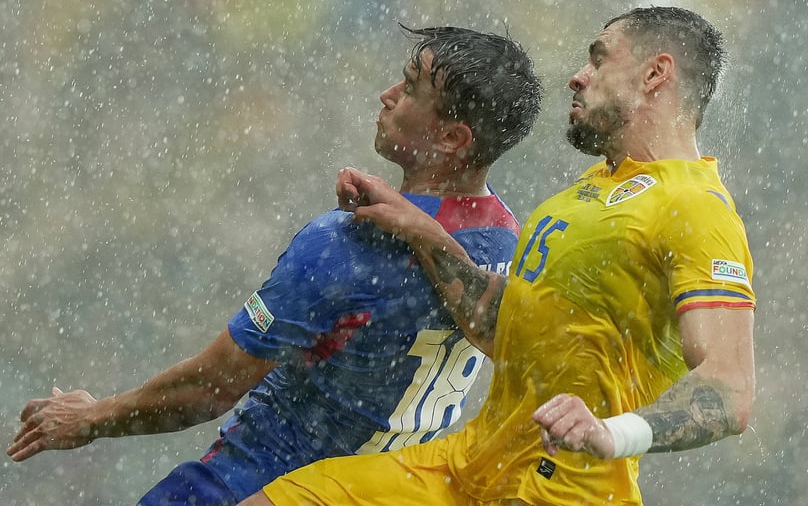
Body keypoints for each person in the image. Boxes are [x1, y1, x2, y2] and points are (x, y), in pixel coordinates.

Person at [238, 6, 757, 506]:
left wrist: (615, 432)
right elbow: (502, 326)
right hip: (467, 467)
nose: (578, 76)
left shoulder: (697, 206)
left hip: (559, 492)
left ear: (656, 74)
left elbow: (730, 390)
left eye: (598, 59)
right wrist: (420, 228)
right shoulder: (594, 187)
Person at [7, 25, 543, 505]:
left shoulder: (347, 246)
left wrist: (92, 417)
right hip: (384, 491)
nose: (387, 95)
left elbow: (209, 388)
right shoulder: (509, 241)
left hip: (257, 481)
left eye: (408, 87)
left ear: (452, 137)